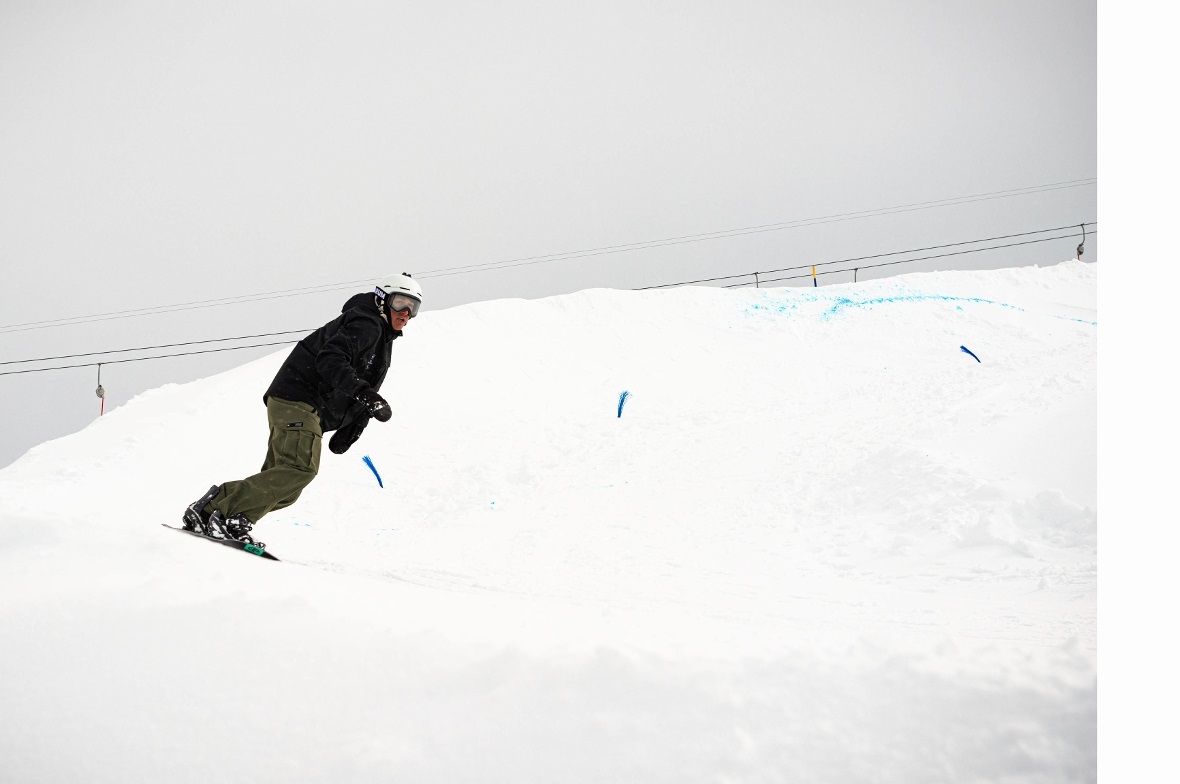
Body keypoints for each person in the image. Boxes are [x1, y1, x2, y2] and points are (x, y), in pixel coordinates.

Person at [181, 272, 423, 548]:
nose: (405, 312)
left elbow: (365, 384)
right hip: (299, 399)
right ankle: (226, 515)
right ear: (382, 300)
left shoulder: (380, 340)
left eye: (413, 307)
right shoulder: (366, 324)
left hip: (295, 404)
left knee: (286, 487)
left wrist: (354, 424)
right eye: (400, 303)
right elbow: (331, 359)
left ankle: (210, 511)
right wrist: (364, 394)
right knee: (299, 468)